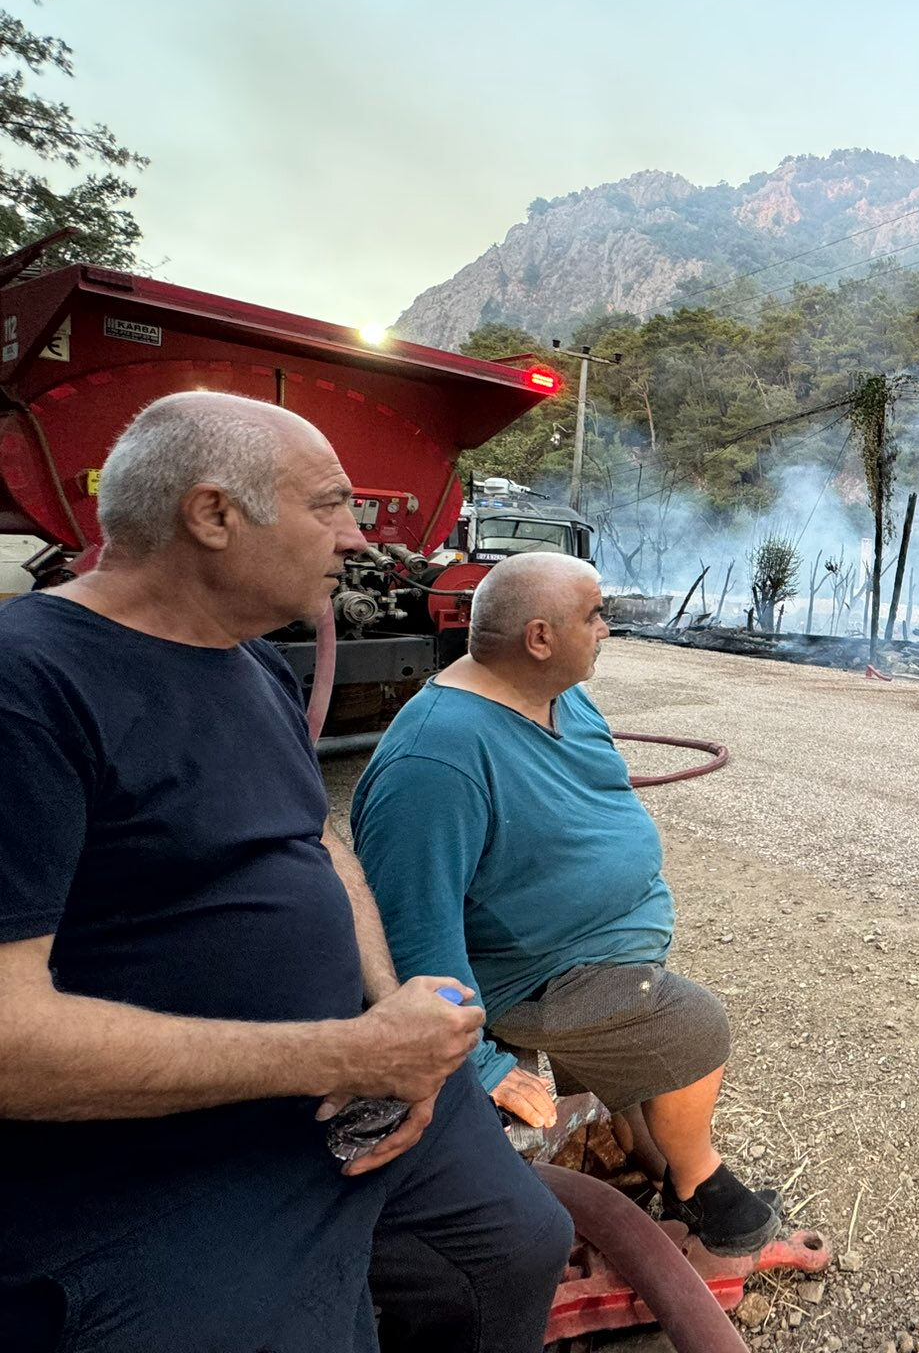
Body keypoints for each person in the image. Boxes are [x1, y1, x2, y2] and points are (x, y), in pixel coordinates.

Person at [0, 391, 572, 1352]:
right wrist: (345, 1056)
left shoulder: (249, 661)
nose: (357, 538)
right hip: (152, 1155)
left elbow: (319, 842)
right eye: (330, 506)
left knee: (521, 1243)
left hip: (341, 1086)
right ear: (215, 515)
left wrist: (398, 1033)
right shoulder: (30, 687)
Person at [353, 551, 781, 1255]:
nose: (608, 629)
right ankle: (697, 1184)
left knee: (635, 1067)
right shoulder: (437, 761)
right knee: (693, 1028)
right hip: (531, 974)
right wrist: (479, 1068)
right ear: (539, 638)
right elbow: (410, 934)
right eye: (595, 615)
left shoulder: (559, 692)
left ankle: (640, 1154)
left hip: (594, 950)